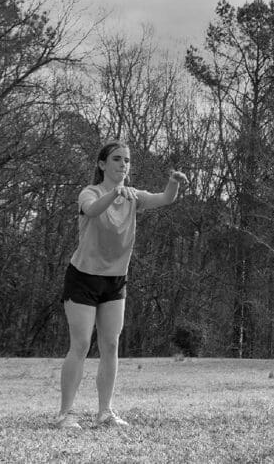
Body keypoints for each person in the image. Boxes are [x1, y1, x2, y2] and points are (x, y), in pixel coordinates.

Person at [54, 141, 188, 429]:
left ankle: (105, 412)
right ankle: (65, 414)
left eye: (127, 160)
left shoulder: (134, 196)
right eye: (117, 159)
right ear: (102, 165)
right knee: (80, 344)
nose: (123, 165)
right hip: (83, 277)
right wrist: (114, 192)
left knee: (111, 344)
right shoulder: (90, 193)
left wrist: (173, 183)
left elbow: (165, 198)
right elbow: (90, 211)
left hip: (115, 279)